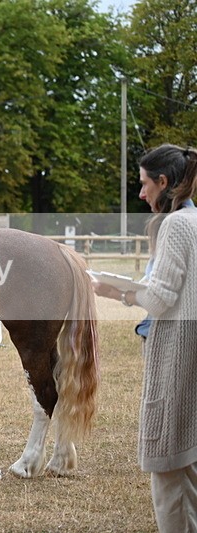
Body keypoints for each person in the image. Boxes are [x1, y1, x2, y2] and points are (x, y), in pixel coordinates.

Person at [92, 143, 197, 532]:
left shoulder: (175, 226)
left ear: (164, 182)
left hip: (176, 353)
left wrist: (114, 291)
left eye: (144, 184)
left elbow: (160, 297)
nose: (141, 193)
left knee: (167, 465)